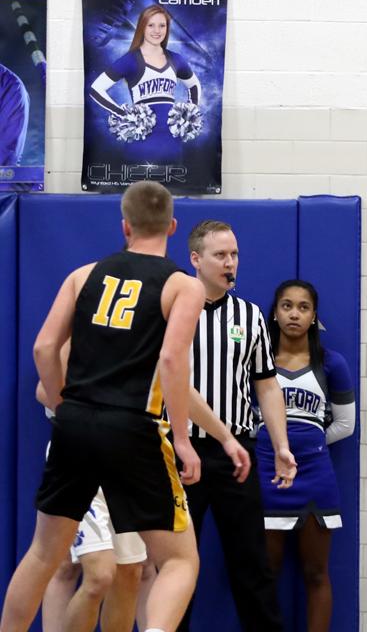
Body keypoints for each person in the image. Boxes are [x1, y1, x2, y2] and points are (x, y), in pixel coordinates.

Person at [0, 181, 205, 632]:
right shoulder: (183, 286)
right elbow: (172, 361)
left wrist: (62, 403)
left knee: (43, 553)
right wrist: (183, 439)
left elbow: (43, 348)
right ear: (172, 225)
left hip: (75, 421)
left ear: (125, 226)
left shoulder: (83, 275)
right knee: (179, 560)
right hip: (132, 427)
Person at [38, 345, 250, 632]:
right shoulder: (86, 323)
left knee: (131, 571)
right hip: (83, 457)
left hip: (133, 461)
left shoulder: (155, 334)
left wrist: (225, 437)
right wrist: (92, 420)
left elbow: (179, 387)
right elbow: (44, 386)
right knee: (91, 573)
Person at [177, 220, 297, 631]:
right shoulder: (172, 309)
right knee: (175, 565)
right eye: (220, 255)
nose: (230, 263)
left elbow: (267, 385)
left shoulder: (249, 315)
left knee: (252, 562)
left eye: (234, 255)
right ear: (196, 259)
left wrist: (280, 445)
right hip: (181, 451)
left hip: (237, 454)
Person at [259, 279, 356, 632]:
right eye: (287, 306)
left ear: (314, 316)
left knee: (316, 573)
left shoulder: (332, 363)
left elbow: (345, 424)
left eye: (303, 307)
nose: (294, 314)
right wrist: (272, 443)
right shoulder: (258, 361)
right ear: (275, 313)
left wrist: (310, 443)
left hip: (315, 475)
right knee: (265, 573)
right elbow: (242, 417)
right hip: (266, 473)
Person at [88, 4, 201, 147]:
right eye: (151, 25)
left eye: (162, 25)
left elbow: (194, 84)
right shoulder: (130, 59)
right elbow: (96, 89)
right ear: (142, 27)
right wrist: (121, 114)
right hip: (142, 139)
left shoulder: (176, 59)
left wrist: (190, 111)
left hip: (173, 139)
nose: (157, 31)